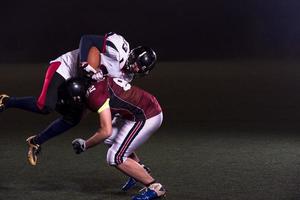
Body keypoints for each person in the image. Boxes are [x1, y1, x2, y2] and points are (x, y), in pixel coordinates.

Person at [0, 32, 156, 166]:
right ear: (134, 55)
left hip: (82, 84)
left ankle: (36, 141)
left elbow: (101, 93)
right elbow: (87, 40)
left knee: (73, 119)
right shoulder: (118, 48)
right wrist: (84, 62)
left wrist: (88, 106)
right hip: (66, 67)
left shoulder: (127, 77)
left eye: (140, 69)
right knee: (45, 106)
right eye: (137, 63)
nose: (135, 68)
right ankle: (6, 101)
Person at [71, 76, 166, 200]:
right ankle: (139, 170)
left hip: (147, 115)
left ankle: (156, 187)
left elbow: (105, 131)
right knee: (110, 140)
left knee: (115, 157)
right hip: (137, 109)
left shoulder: (95, 96)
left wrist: (85, 145)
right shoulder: (97, 84)